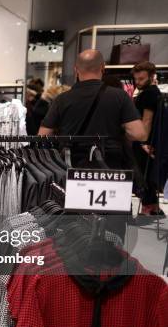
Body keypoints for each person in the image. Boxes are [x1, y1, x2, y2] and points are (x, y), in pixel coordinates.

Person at [38, 49, 147, 168]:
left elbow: (43, 135)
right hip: (109, 167)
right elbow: (139, 134)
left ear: (76, 70)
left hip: (71, 165)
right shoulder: (120, 96)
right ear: (103, 68)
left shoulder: (61, 99)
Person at [131, 61, 164, 217]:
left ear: (152, 76)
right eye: (136, 79)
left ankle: (148, 209)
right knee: (146, 174)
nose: (137, 82)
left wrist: (143, 141)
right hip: (149, 141)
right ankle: (154, 208)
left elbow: (147, 120)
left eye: (141, 79)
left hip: (145, 142)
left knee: (142, 175)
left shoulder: (149, 94)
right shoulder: (153, 92)